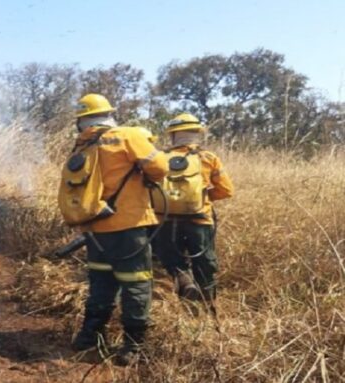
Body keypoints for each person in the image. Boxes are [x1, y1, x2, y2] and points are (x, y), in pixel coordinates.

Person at [68, 94, 168, 365]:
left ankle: (89, 337)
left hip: (94, 228)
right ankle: (133, 346)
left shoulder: (82, 145)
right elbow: (160, 168)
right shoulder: (127, 135)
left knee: (101, 282)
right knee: (135, 283)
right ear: (109, 114)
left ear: (82, 119)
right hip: (128, 226)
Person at [152, 113, 234, 304]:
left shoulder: (159, 158)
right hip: (200, 218)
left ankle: (185, 284)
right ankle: (208, 303)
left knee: (173, 260)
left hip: (165, 220)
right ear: (197, 134)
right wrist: (204, 197)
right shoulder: (208, 158)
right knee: (205, 262)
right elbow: (227, 190)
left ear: (172, 135)